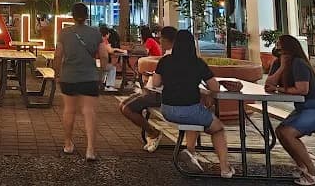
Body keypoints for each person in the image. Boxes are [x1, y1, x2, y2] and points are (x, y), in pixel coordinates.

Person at [153, 29, 234, 178]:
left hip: (167, 109)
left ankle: (190, 151)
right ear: (192, 45)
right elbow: (215, 88)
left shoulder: (165, 61)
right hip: (190, 109)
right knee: (218, 128)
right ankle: (225, 167)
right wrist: (206, 92)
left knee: (196, 115)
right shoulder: (197, 63)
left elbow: (156, 83)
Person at [119, 26, 201, 164]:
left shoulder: (169, 58)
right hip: (179, 99)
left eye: (161, 39)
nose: (159, 41)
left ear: (169, 41)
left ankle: (153, 132)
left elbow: (157, 82)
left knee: (125, 107)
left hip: (164, 96)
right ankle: (189, 149)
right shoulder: (193, 61)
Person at [264, 34, 315, 185]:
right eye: (277, 47)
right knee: (280, 132)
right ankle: (302, 167)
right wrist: (282, 67)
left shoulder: (299, 64)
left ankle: (314, 174)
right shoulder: (278, 64)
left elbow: (302, 89)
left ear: (289, 49)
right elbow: (268, 86)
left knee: (288, 133)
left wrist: (279, 89)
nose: (278, 50)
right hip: (303, 108)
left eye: (280, 47)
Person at [55, 2, 108, 162]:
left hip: (69, 77)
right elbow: (104, 56)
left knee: (69, 110)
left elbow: (58, 55)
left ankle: (68, 143)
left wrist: (57, 73)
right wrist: (101, 73)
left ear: (72, 16)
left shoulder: (64, 33)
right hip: (89, 77)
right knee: (89, 112)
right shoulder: (95, 33)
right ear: (87, 16)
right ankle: (90, 149)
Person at [99, 26, 124, 92]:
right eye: (108, 34)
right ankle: (109, 86)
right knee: (112, 68)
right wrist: (121, 50)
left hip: (95, 63)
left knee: (105, 68)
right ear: (106, 34)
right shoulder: (104, 40)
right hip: (101, 63)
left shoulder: (96, 39)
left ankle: (100, 84)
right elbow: (110, 50)